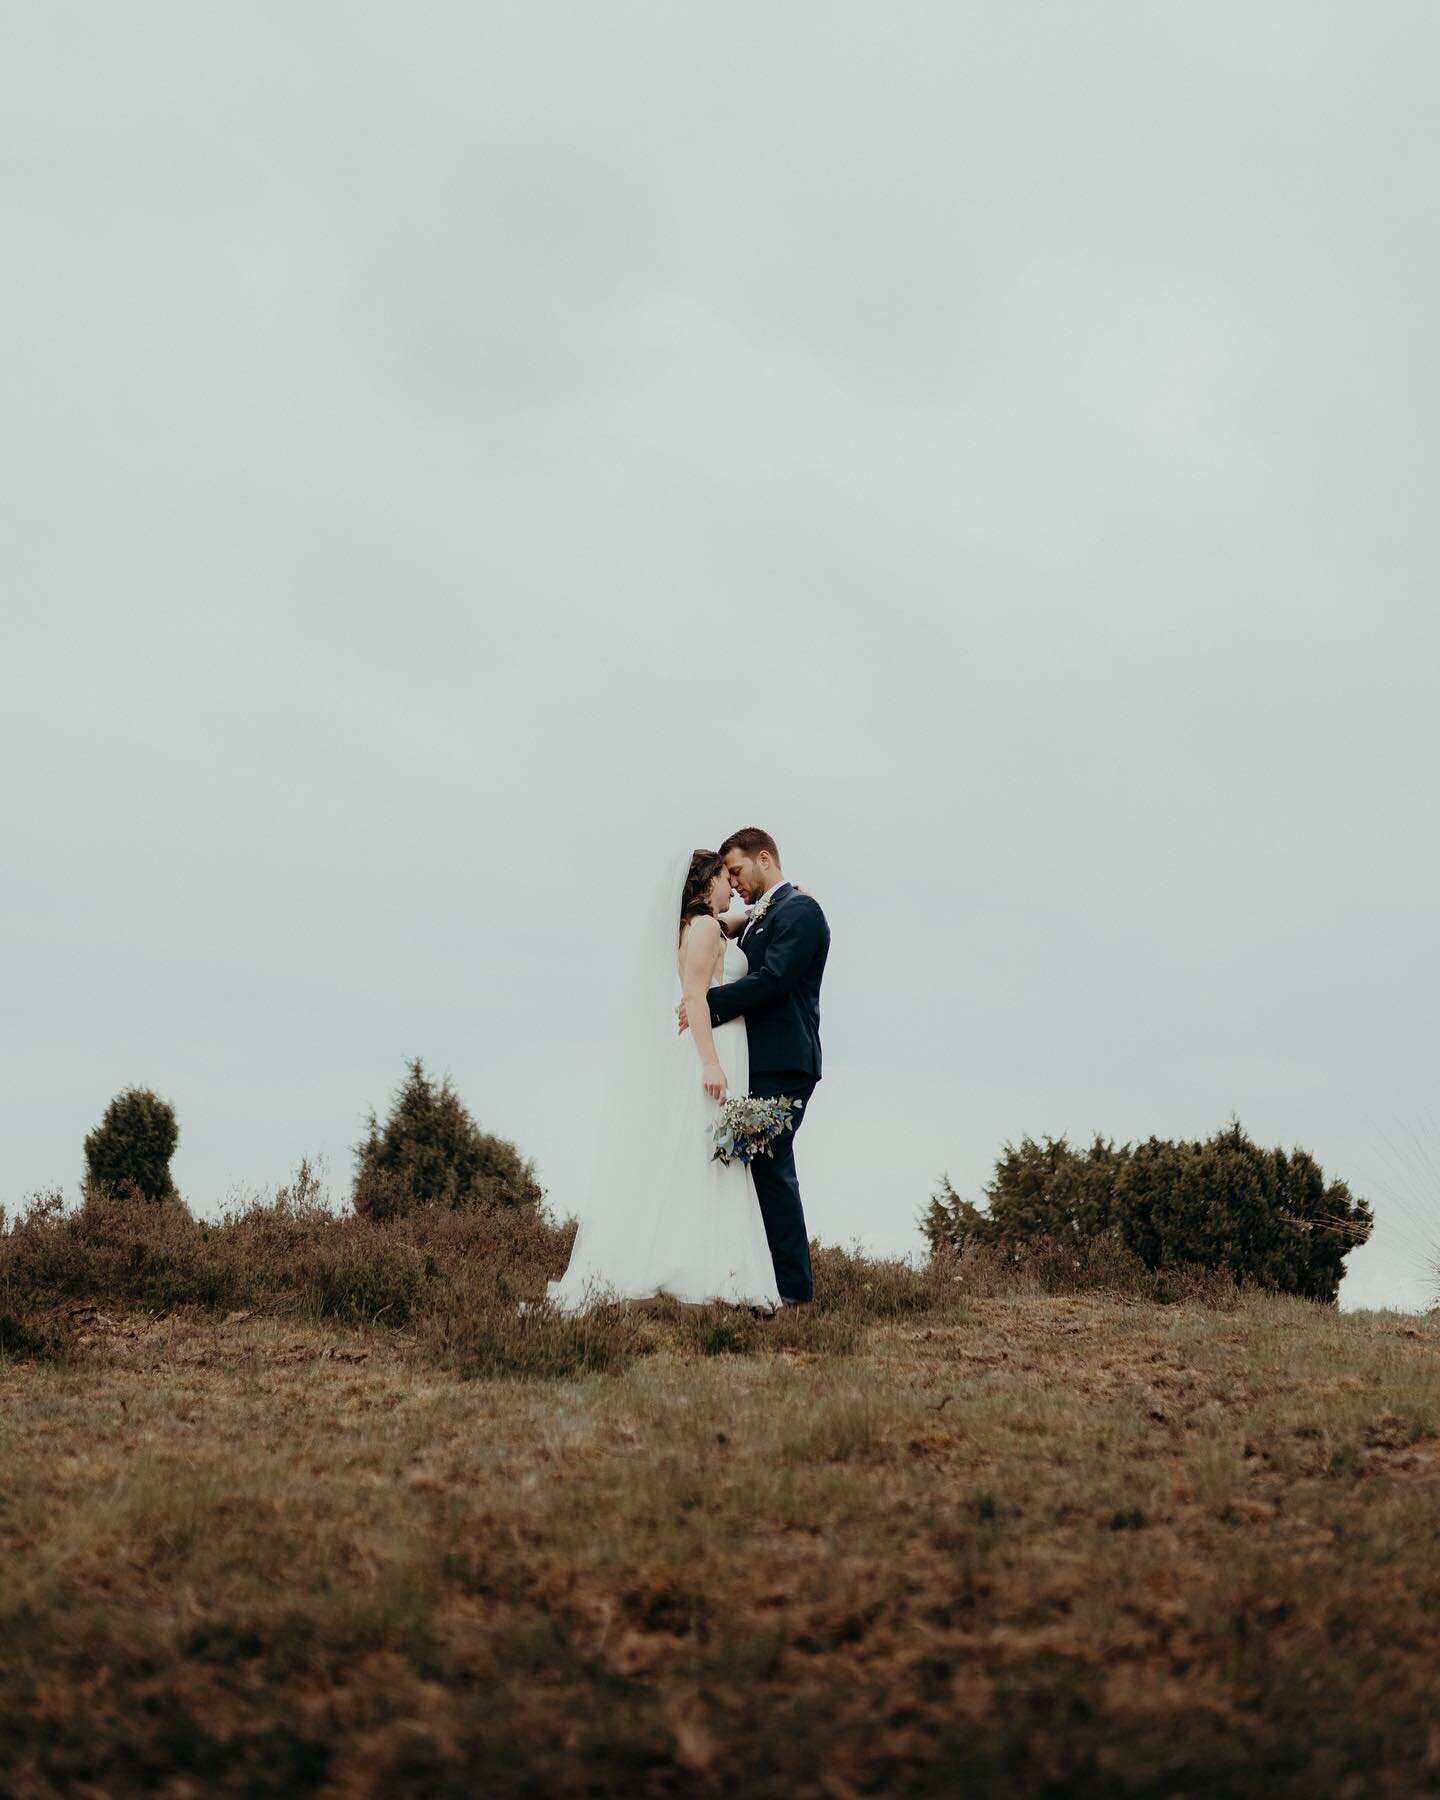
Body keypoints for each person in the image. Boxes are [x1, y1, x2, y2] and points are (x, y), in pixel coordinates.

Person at [546, 848, 782, 1313]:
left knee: (704, 1154)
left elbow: (731, 926)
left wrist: (765, 906)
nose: (730, 886)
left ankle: (706, 1263)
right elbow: (695, 999)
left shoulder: (701, 926)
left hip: (717, 1046)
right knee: (704, 1156)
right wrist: (712, 1064)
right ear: (705, 881)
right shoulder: (705, 927)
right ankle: (699, 1268)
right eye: (722, 878)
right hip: (710, 1050)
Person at [687, 828, 830, 1306]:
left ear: (763, 858)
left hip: (786, 1062)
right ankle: (759, 1282)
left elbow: (773, 980)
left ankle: (793, 1292)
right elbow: (719, 924)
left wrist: (707, 1003)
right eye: (726, 876)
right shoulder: (758, 917)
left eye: (737, 871)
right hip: (756, 1063)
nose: (734, 882)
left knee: (771, 1166)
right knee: (752, 1169)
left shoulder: (802, 912)